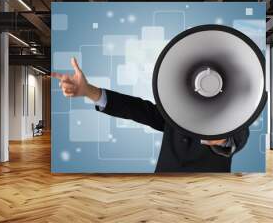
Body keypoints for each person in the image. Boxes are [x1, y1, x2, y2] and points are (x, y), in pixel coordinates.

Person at [52, 58, 249, 172]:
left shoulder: (234, 115)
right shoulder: (173, 112)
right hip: (164, 189)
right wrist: (89, 91)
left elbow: (238, 137)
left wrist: (223, 139)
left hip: (210, 193)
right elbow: (137, 108)